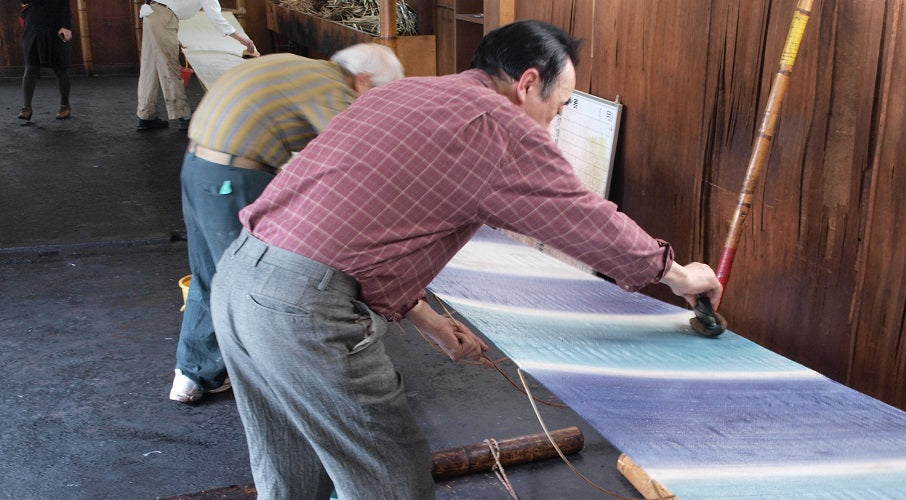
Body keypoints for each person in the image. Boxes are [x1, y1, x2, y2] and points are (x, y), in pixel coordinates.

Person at [211, 20, 723, 498]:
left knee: (292, 473)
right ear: (527, 83)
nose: (556, 118)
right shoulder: (498, 124)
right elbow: (585, 219)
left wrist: (430, 321)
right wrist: (676, 275)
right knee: (391, 478)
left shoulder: (407, 93)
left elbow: (357, 224)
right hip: (303, 313)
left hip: (240, 283)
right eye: (562, 104)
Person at [169, 44, 405, 403]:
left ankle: (195, 373)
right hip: (232, 177)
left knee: (212, 274)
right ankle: (274, 386)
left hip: (198, 166)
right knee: (254, 284)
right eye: (376, 96)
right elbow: (358, 156)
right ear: (363, 79)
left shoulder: (299, 69)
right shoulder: (332, 88)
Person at [135, 0, 255, 131]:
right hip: (162, 17)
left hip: (152, 15)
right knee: (170, 67)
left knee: (149, 68)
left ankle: (145, 115)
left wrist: (170, 38)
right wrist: (242, 39)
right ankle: (183, 115)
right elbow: (216, 17)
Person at [18, 0, 73, 121]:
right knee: (31, 66)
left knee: (60, 67)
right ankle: (26, 107)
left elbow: (65, 7)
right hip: (33, 25)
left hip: (56, 26)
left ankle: (65, 105)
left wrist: (67, 26)